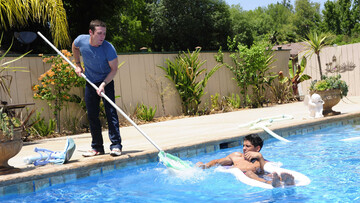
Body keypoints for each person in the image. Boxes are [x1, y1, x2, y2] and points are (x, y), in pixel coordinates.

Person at [72, 19, 122, 157]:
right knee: (92, 115)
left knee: (111, 112)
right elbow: (75, 47)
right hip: (90, 81)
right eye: (99, 33)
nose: (102, 37)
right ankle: (97, 148)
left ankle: (116, 145)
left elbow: (114, 70)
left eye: (104, 34)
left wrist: (104, 84)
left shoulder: (108, 48)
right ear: (91, 33)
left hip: (106, 81)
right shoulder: (81, 40)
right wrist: (77, 64)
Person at [196, 134, 295, 187]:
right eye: (243, 145)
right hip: (246, 174)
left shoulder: (259, 161)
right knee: (249, 173)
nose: (244, 148)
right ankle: (270, 183)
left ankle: (284, 180)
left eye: (247, 146)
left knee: (269, 174)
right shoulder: (236, 156)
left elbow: (263, 170)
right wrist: (206, 165)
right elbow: (217, 161)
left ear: (257, 148)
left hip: (257, 175)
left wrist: (260, 157)